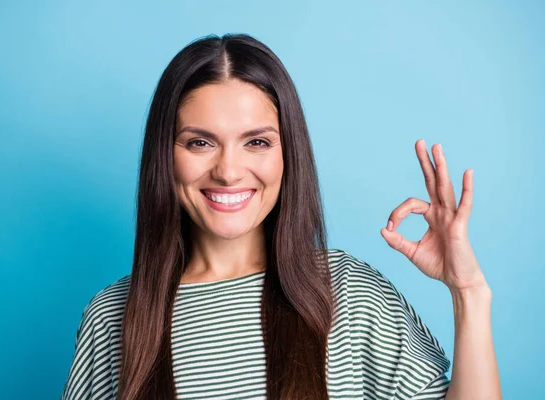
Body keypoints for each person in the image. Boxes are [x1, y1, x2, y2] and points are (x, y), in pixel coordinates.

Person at [60, 33, 501, 400]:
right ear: (165, 155)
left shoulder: (346, 291)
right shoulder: (113, 317)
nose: (229, 171)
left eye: (256, 142)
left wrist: (469, 293)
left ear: (289, 154)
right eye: (200, 142)